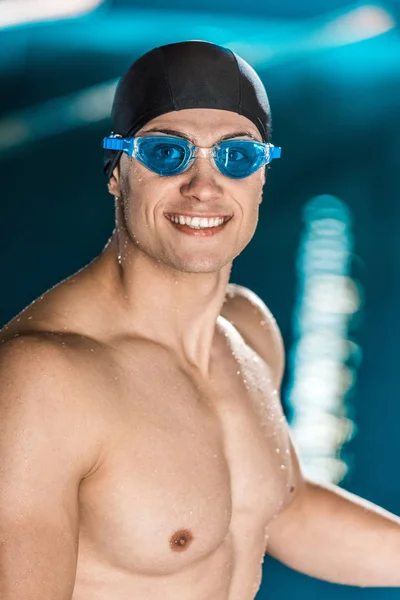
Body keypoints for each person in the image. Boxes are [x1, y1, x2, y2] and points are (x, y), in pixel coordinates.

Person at [0, 40, 399, 600]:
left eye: (236, 157)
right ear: (117, 171)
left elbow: (286, 511)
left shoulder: (246, 330)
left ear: (262, 177)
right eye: (167, 153)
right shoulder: (42, 381)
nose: (204, 187)